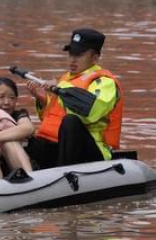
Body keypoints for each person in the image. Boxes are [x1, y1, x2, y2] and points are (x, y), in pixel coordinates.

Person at [26, 29, 122, 168]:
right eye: (71, 53)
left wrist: (59, 88)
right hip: (60, 146)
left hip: (92, 152)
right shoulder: (66, 78)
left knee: (71, 121)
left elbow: (89, 112)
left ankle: (62, 174)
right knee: (25, 135)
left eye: (79, 55)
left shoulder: (105, 82)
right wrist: (43, 100)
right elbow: (54, 120)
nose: (72, 59)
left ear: (95, 58)